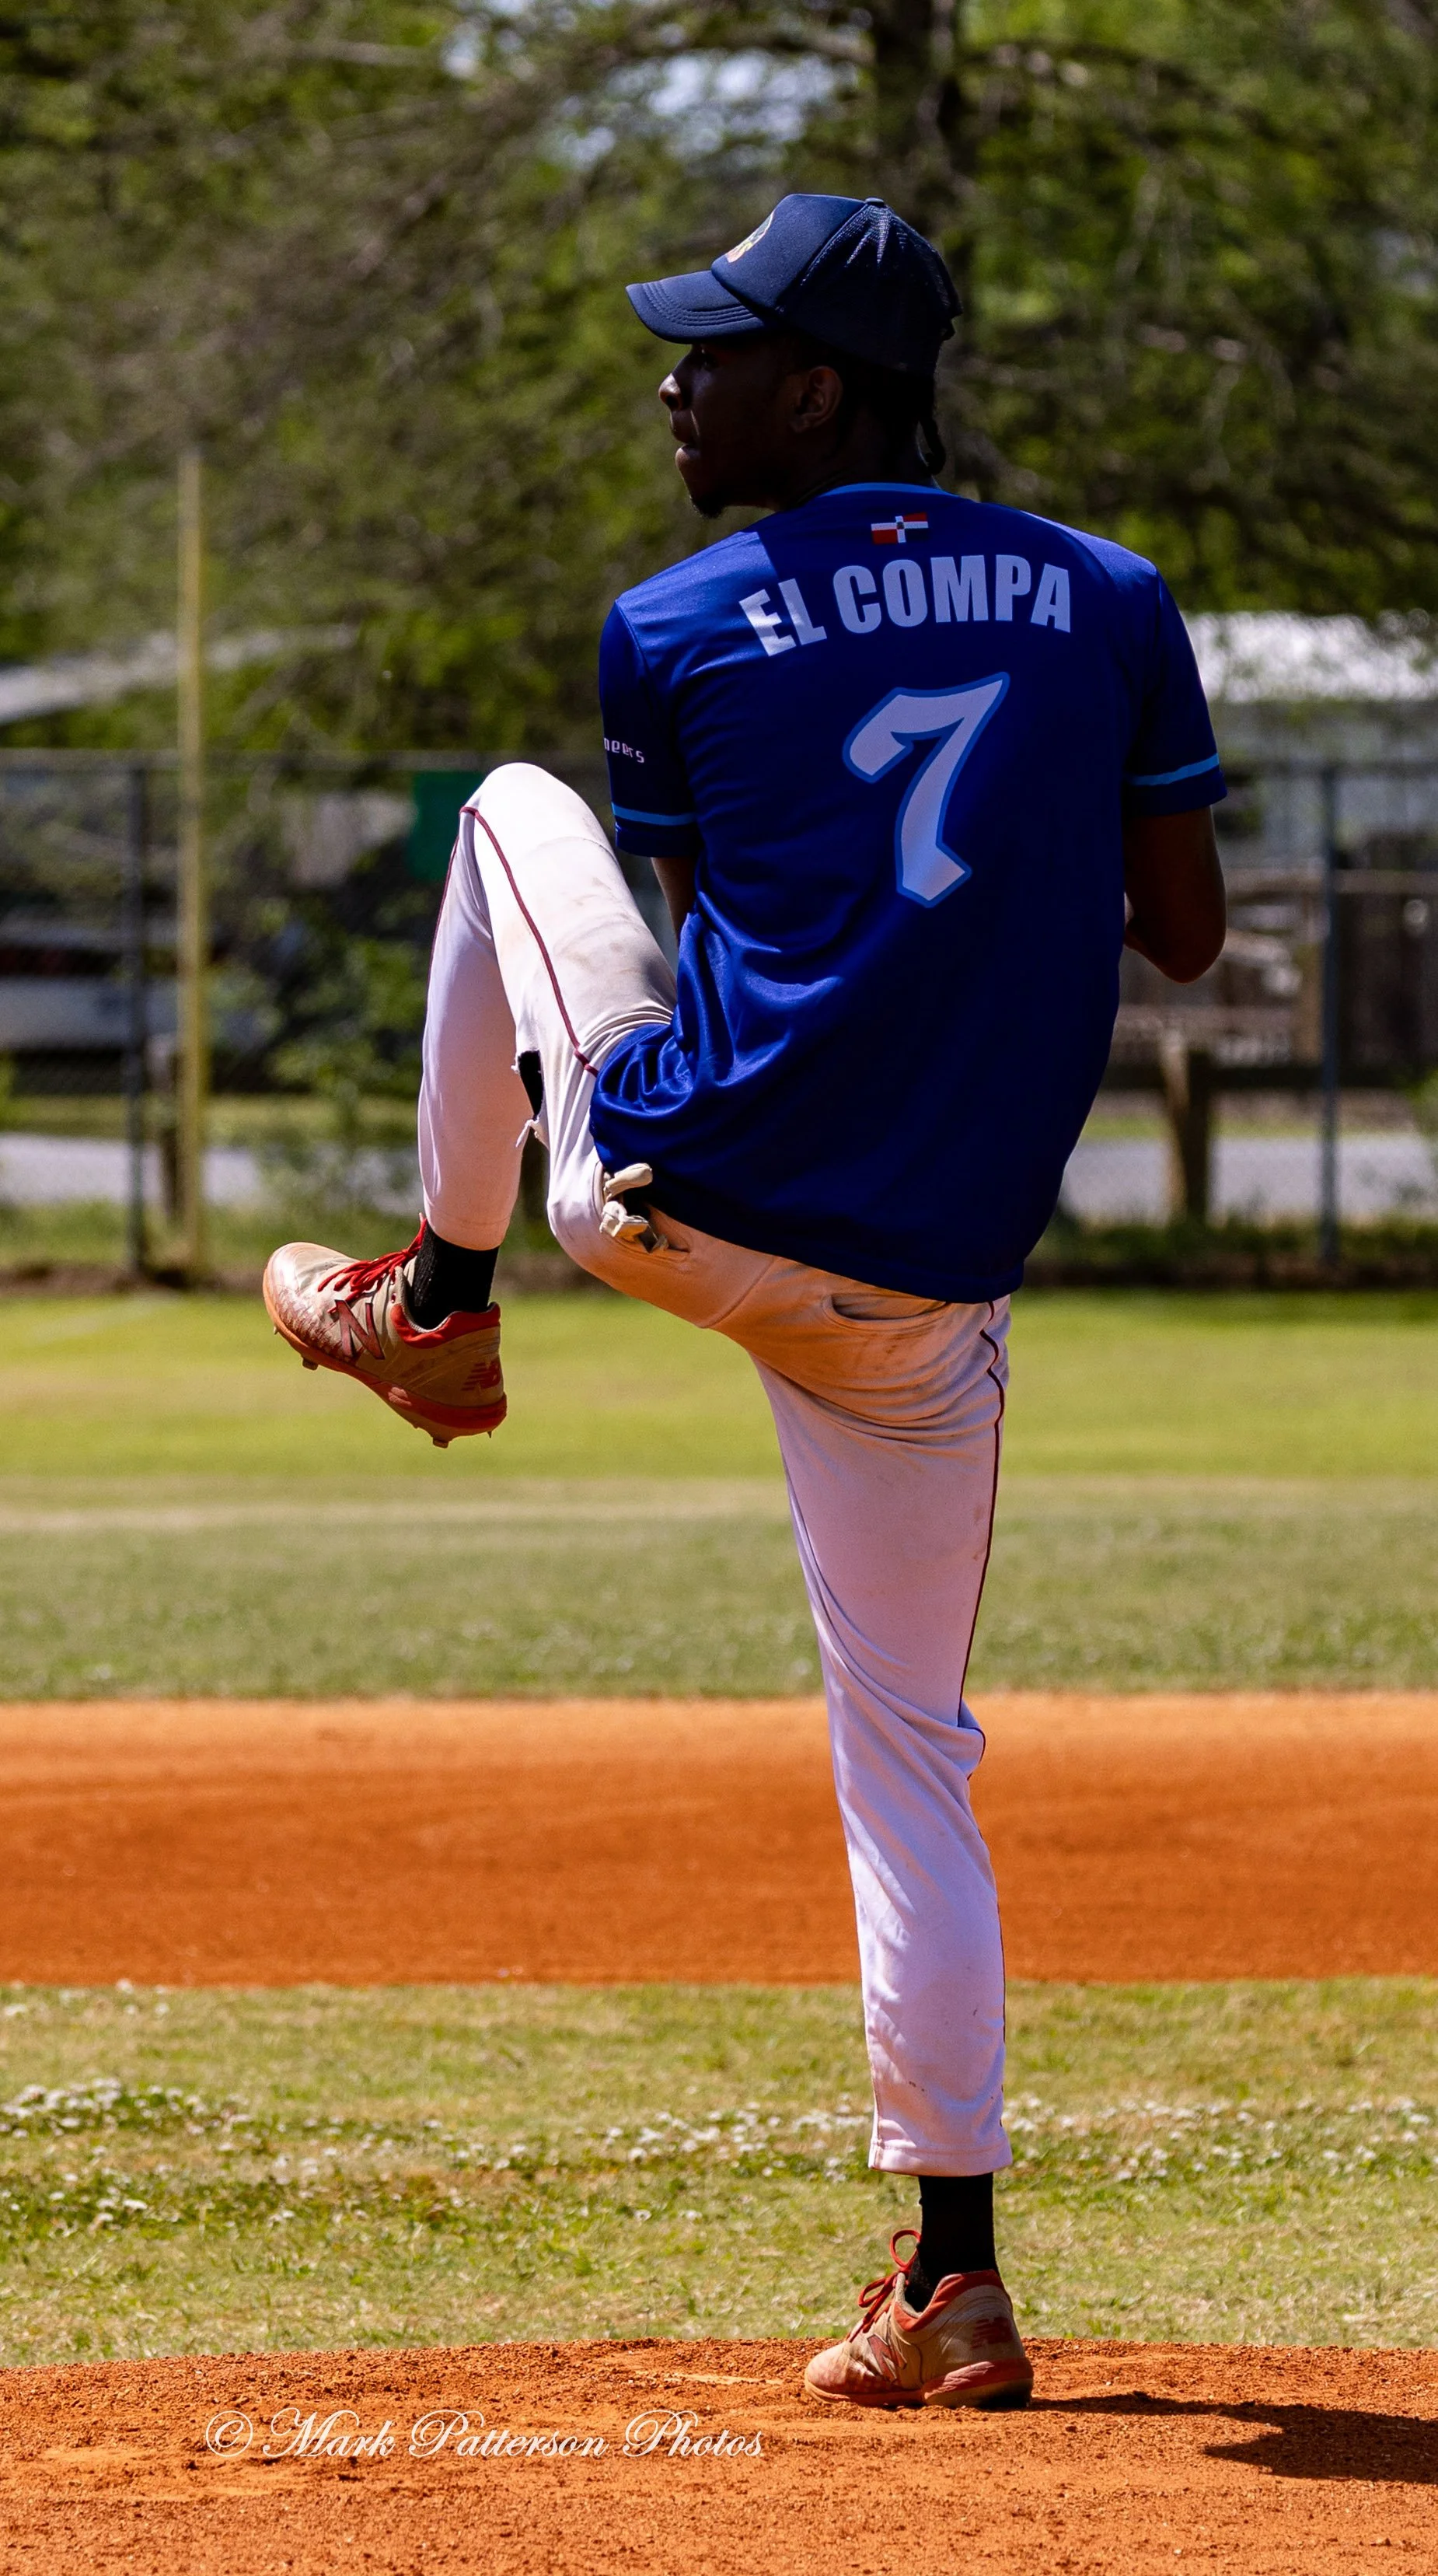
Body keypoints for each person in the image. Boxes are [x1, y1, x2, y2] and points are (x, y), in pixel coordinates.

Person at [265, 191, 1226, 2412]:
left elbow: (734, 920)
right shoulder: (1115, 600)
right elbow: (1177, 931)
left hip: (671, 1194)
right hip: (930, 1288)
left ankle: (442, 1290)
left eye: (716, 354)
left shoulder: (677, 617)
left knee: (510, 810)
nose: (676, 386)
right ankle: (954, 2275)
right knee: (914, 1761)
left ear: (826, 390)